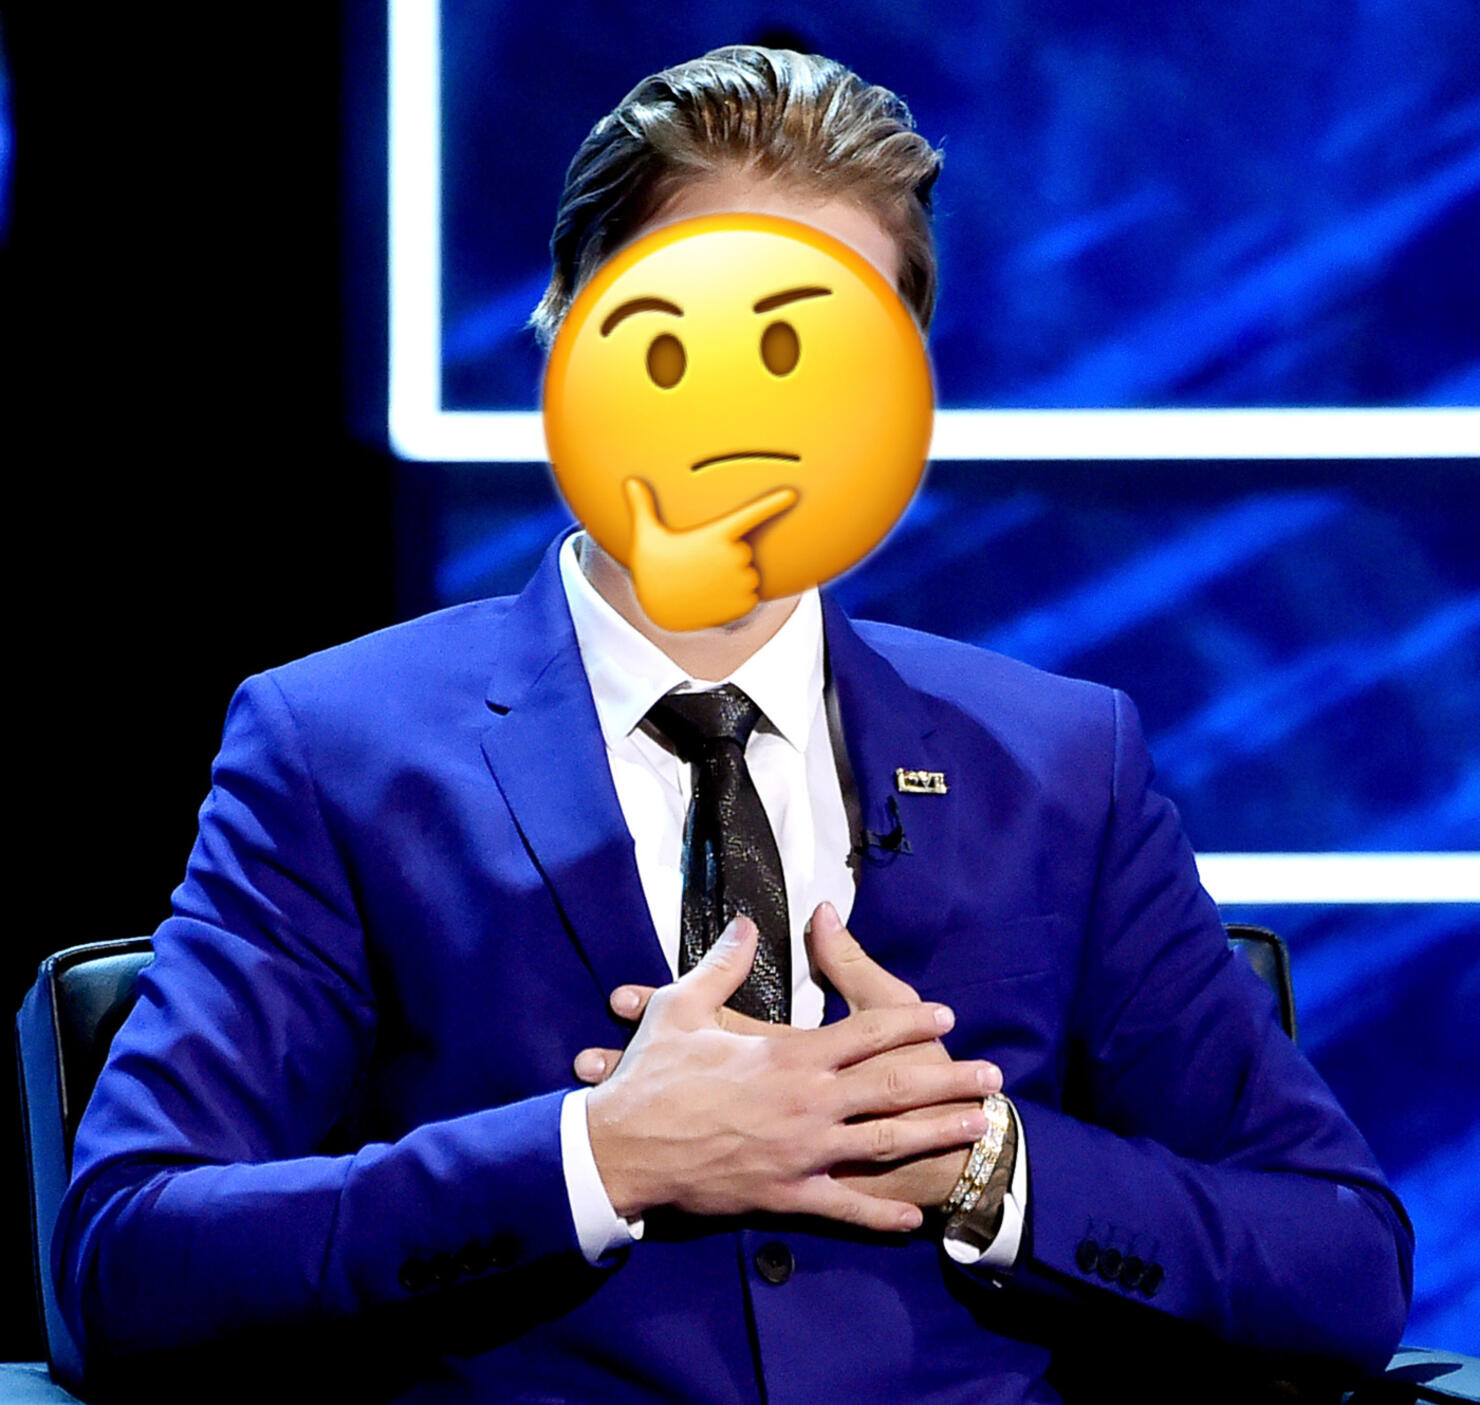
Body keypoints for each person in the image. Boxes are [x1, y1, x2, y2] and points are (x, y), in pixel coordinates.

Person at [55, 46, 1412, 1404]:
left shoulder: (1059, 764)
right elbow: (129, 1254)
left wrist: (987, 1164)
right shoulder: (338, 749)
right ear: (567, 330)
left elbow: (1341, 1259)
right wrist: (596, 1156)